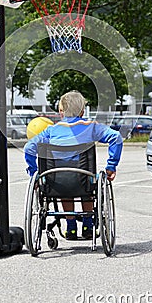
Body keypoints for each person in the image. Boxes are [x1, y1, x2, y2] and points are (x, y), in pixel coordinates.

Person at [24, 91, 123, 240]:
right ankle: (88, 225)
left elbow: (28, 149)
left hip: (55, 184)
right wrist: (111, 166)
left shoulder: (50, 131)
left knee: (63, 181)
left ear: (61, 111)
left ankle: (71, 228)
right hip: (84, 182)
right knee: (87, 180)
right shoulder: (91, 127)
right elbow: (116, 138)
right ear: (82, 111)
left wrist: (34, 173)